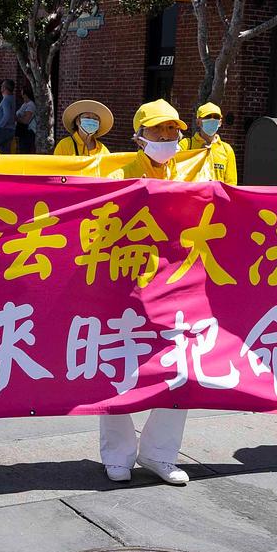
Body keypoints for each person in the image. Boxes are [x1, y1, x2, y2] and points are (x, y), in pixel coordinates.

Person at [100, 98, 189, 486]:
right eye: (159, 131)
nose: (168, 137)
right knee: (118, 369)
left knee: (183, 369)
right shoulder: (115, 172)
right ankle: (118, 456)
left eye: (173, 130)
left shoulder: (189, 174)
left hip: (176, 288)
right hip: (123, 287)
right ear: (140, 137)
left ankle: (159, 454)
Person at [118, 98, 187, 180]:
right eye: (156, 127)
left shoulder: (186, 176)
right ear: (139, 139)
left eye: (171, 127)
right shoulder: (120, 180)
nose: (165, 136)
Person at [178, 102, 237, 185]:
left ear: (220, 123)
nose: (212, 120)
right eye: (208, 117)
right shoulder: (186, 145)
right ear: (198, 122)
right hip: (193, 196)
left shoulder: (227, 150)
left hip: (217, 197)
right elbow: (177, 173)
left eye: (216, 117)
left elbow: (231, 183)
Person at [15, 87, 37, 154]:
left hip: (29, 132)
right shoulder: (25, 104)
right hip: (23, 132)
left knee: (25, 151)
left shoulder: (31, 105)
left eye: (22, 93)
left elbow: (26, 120)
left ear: (25, 94)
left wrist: (16, 118)